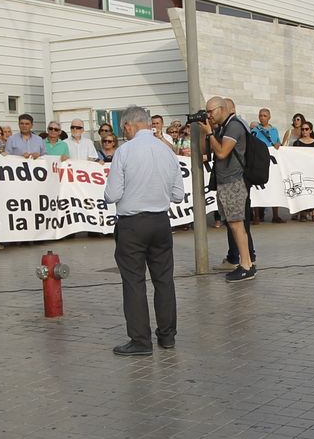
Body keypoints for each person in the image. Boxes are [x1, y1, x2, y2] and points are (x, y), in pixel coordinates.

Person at [100, 105, 185, 356]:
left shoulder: (124, 151)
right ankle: (167, 335)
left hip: (132, 223)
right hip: (161, 221)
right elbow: (178, 195)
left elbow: (112, 194)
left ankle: (140, 340)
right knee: (164, 279)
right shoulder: (167, 151)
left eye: (123, 128)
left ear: (129, 125)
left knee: (134, 281)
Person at [198, 97, 257, 280]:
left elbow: (222, 153)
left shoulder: (234, 126)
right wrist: (204, 132)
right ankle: (246, 263)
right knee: (233, 224)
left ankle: (245, 265)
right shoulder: (222, 127)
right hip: (225, 182)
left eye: (211, 111)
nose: (209, 115)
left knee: (237, 224)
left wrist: (210, 133)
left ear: (222, 109)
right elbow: (205, 152)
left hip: (234, 182)